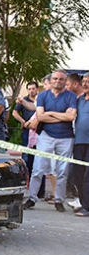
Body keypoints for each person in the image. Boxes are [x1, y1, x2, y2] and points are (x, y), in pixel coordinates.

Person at [23, 69, 77, 212]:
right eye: (55, 78)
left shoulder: (71, 96)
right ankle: (32, 198)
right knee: (38, 168)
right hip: (46, 136)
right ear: (51, 80)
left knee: (62, 171)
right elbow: (40, 116)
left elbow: (70, 117)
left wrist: (50, 113)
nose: (57, 81)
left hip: (66, 137)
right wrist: (61, 115)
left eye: (61, 79)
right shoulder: (43, 96)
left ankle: (59, 200)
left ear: (65, 81)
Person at [72, 73, 89, 216]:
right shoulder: (80, 100)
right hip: (79, 142)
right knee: (78, 175)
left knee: (87, 177)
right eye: (84, 81)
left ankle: (87, 207)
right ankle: (84, 203)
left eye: (88, 81)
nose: (85, 84)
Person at [13, 82, 38, 165]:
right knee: (26, 153)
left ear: (37, 89)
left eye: (33, 89)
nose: (31, 91)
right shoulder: (24, 100)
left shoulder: (40, 100)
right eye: (29, 89)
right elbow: (14, 112)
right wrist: (22, 121)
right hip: (27, 130)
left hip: (39, 131)